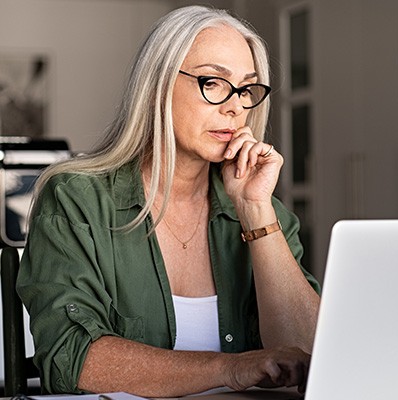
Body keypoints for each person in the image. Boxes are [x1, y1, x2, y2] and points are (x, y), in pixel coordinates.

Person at [16, 5, 321, 397]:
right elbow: (71, 359)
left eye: (246, 89)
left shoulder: (265, 213)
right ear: (158, 84)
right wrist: (230, 368)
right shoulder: (77, 199)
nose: (236, 107)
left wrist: (255, 212)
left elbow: (313, 357)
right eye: (213, 82)